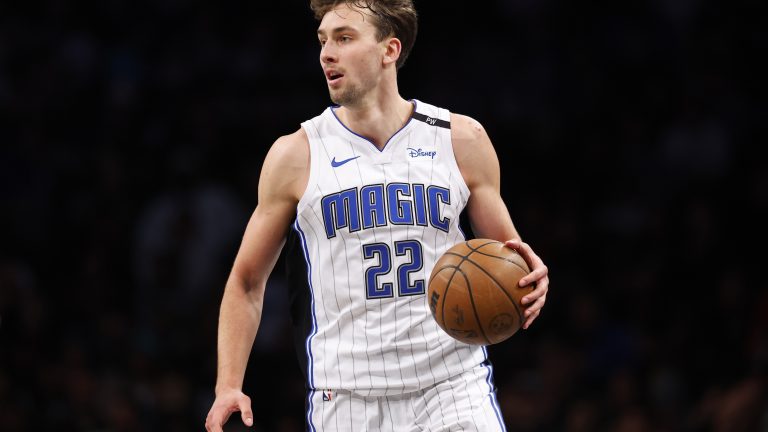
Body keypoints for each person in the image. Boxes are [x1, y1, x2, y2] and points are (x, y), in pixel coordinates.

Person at [205, 1, 549, 430]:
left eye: (344, 38)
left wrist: (531, 278)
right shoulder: (296, 154)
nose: (326, 53)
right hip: (347, 398)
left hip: (451, 386)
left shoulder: (461, 138)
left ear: (390, 50)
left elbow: (508, 257)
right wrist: (228, 385)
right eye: (323, 40)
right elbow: (246, 282)